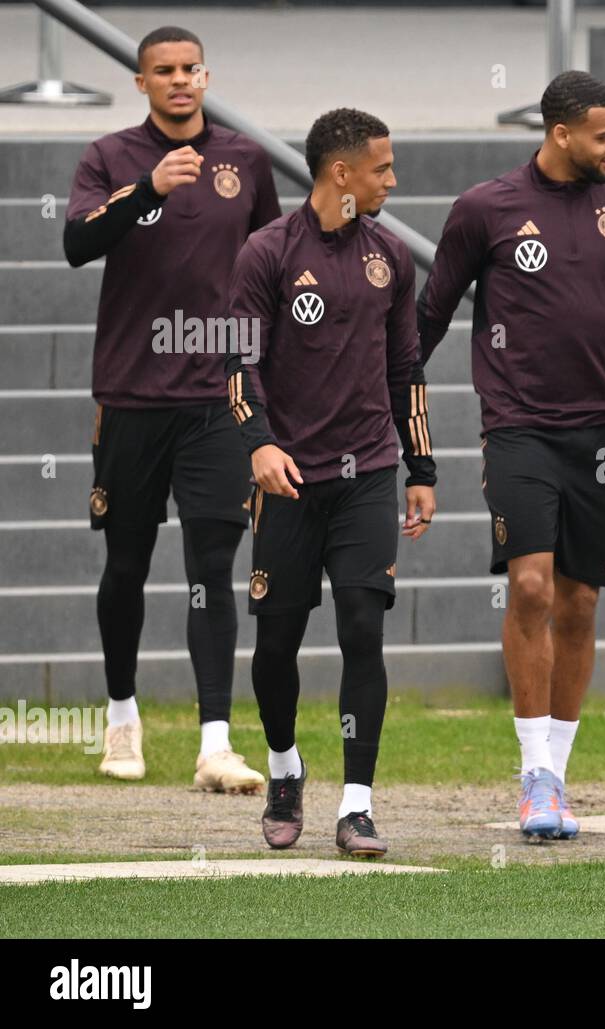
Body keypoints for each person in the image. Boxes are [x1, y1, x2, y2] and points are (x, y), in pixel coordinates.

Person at [417, 71, 605, 840]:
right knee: (529, 586)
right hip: (519, 426)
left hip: (604, 432)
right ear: (560, 133)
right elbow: (427, 317)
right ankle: (533, 773)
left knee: (580, 601)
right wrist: (387, 410)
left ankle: (559, 773)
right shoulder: (485, 209)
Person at [65, 25, 279, 792]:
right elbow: (76, 243)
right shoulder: (111, 157)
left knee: (212, 568)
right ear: (142, 82)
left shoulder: (246, 160)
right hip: (130, 393)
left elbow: (270, 267)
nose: (180, 81)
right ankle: (122, 716)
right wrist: (148, 188)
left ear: (205, 75)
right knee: (125, 565)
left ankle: (214, 742)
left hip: (217, 399)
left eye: (190, 69)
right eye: (164, 71)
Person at [225, 108, 437, 858]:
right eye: (382, 168)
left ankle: (357, 805)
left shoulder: (392, 257)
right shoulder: (267, 253)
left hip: (369, 474)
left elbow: (406, 369)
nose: (392, 179)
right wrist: (259, 445)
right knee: (276, 643)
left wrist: (421, 468)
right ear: (340, 173)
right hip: (287, 480)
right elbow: (238, 363)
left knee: (361, 629)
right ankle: (285, 770)